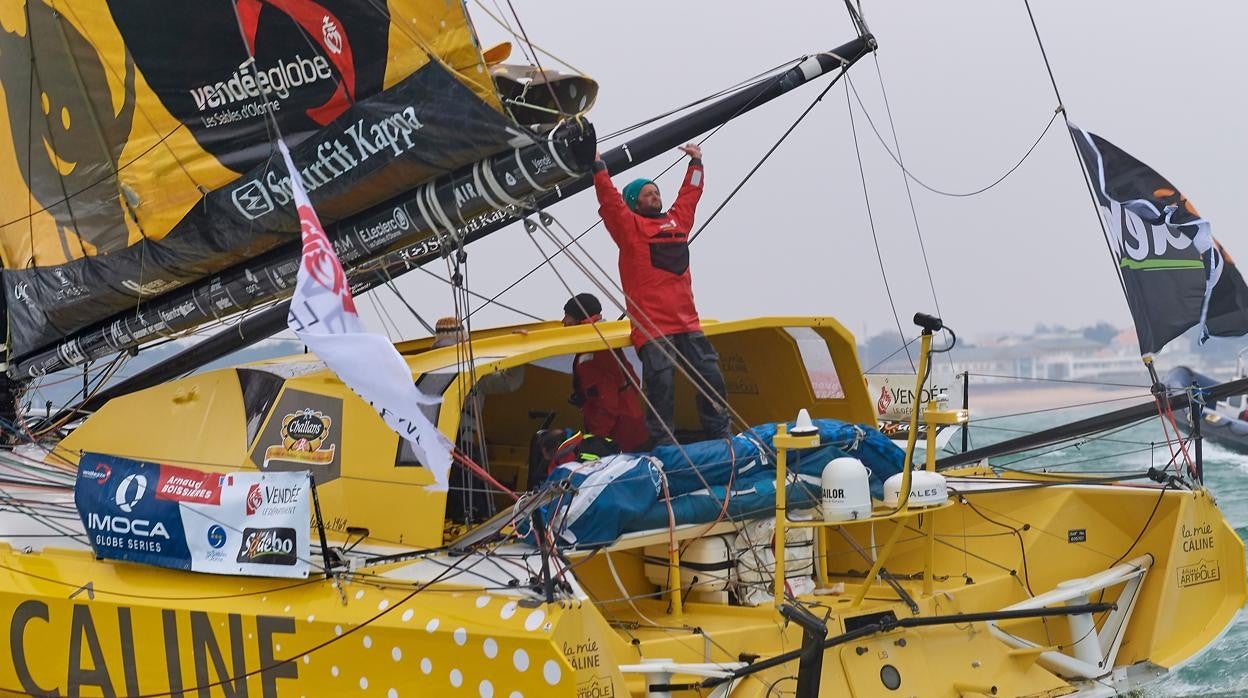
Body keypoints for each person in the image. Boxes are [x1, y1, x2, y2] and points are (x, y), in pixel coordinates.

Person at [592, 144, 731, 445]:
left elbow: (690, 195)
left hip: (688, 324)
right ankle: (663, 443)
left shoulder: (678, 222)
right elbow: (611, 201)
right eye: (647, 194)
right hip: (653, 329)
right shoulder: (629, 228)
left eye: (656, 192)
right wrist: (599, 169)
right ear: (634, 203)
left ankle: (720, 434)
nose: (655, 196)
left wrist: (696, 162)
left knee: (711, 377)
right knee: (661, 384)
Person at [562, 293, 649, 451]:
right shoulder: (607, 340)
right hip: (634, 426)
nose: (563, 321)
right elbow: (634, 382)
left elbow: (606, 402)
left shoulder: (591, 354)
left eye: (567, 316)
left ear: (580, 319)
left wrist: (598, 439)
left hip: (618, 436)